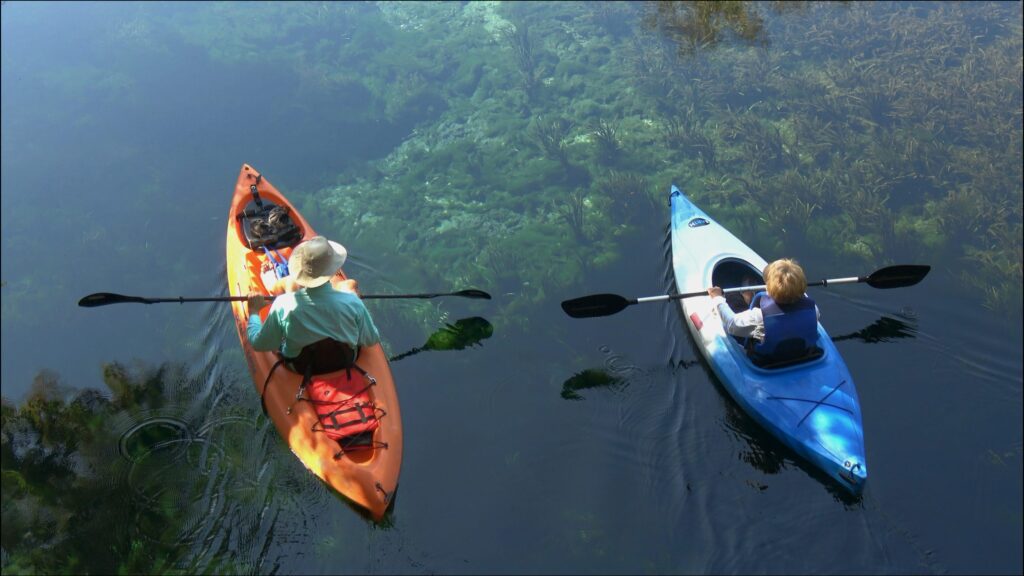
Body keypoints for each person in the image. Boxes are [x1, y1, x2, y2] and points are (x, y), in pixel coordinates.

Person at [246, 236, 381, 366]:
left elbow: (259, 344)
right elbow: (371, 339)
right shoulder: (353, 303)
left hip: (300, 366)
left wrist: (253, 312)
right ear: (334, 270)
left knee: (290, 285)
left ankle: (272, 283)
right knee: (350, 286)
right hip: (345, 360)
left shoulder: (282, 305)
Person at [707, 258, 820, 362]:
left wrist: (718, 298)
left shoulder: (759, 317)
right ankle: (748, 297)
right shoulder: (813, 310)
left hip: (767, 361)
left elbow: (732, 324)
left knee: (731, 297)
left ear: (769, 290)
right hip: (801, 354)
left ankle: (746, 298)